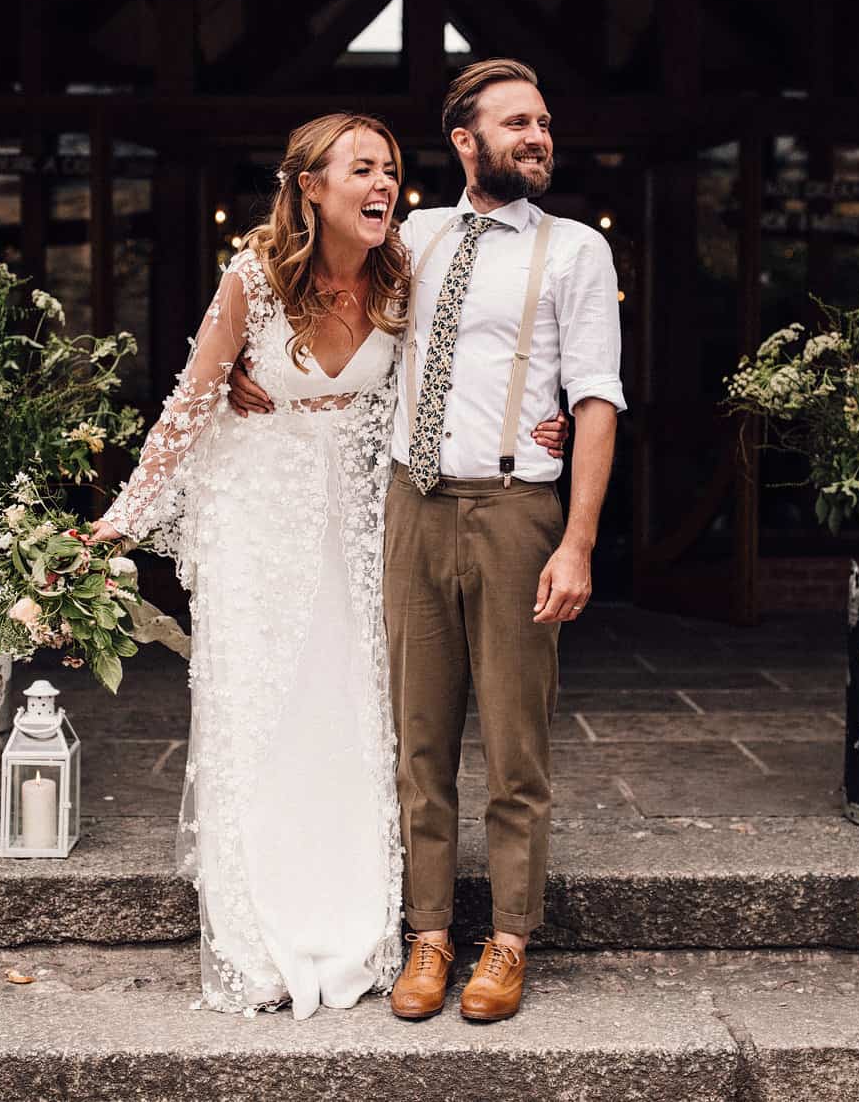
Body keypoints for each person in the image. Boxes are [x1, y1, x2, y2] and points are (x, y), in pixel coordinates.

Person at [90, 113, 567, 1019]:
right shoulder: (253, 279)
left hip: (360, 527)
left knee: (358, 719)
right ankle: (261, 922)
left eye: (389, 168)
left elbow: (480, 357)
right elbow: (186, 411)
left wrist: (552, 418)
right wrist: (118, 523)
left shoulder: (408, 274)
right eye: (361, 169)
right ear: (310, 186)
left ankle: (354, 918)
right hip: (258, 529)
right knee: (264, 717)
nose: (383, 184)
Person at [232, 58, 624, 1023]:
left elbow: (595, 401)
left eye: (544, 122)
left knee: (516, 741)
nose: (539, 137)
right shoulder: (410, 234)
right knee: (420, 737)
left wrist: (575, 541)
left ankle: (510, 940)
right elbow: (313, 289)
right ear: (466, 142)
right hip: (412, 505)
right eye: (518, 123)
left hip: (515, 508)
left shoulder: (575, 249)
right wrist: (254, 370)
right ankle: (431, 934)